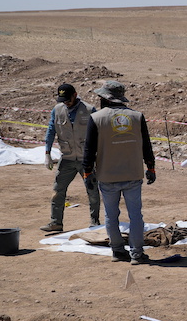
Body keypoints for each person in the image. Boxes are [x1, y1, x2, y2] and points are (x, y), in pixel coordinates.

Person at [82, 80, 157, 265]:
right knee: (136, 216)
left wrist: (87, 173)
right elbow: (147, 146)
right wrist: (151, 167)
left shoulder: (96, 118)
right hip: (132, 174)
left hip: (107, 177)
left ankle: (117, 251)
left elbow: (89, 150)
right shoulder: (137, 117)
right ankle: (137, 255)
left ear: (106, 99)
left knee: (110, 215)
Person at [40, 83, 101, 232]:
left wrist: (98, 157)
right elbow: (50, 131)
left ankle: (95, 221)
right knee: (58, 190)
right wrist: (47, 153)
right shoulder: (58, 110)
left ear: (75, 95)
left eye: (68, 99)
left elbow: (98, 135)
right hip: (67, 158)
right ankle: (56, 222)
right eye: (63, 100)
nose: (66, 102)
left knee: (92, 190)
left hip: (85, 159)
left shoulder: (89, 110)